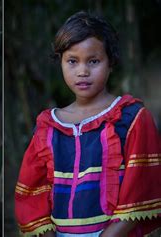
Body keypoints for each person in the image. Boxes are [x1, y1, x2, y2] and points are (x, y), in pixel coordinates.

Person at [15, 11, 161, 237]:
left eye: (93, 61)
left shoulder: (131, 118)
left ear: (111, 63)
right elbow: (33, 192)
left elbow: (141, 189)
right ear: (60, 62)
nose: (82, 71)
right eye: (72, 61)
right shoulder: (48, 127)